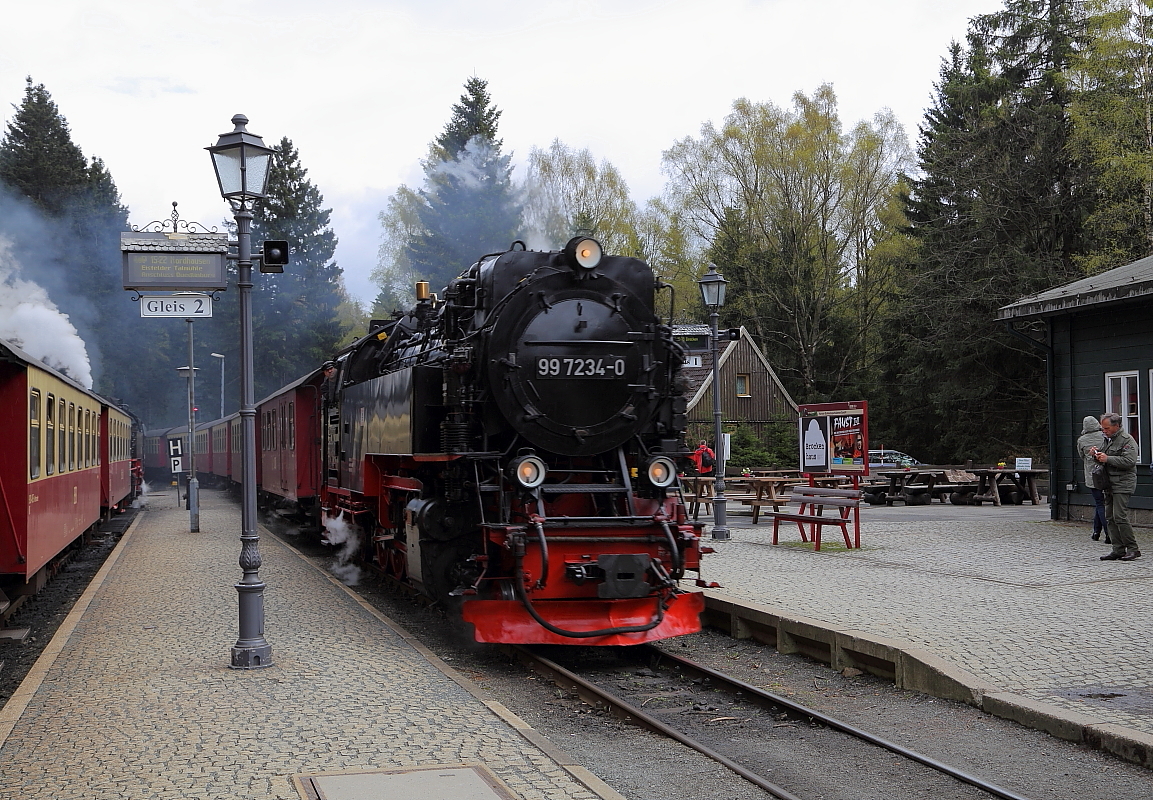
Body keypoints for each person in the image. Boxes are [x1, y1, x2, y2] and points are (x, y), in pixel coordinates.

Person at [1094, 412, 1140, 561]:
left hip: (1123, 483)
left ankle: (1133, 548)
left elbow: (1129, 461)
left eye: (1106, 428)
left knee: (1119, 516)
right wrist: (1096, 455)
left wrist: (1108, 458)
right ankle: (1118, 549)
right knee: (1110, 517)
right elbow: (1105, 460)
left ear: (1117, 426)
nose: (1104, 431)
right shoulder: (1108, 440)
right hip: (1109, 483)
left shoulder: (1127, 440)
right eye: (1102, 428)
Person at [1076, 415, 1109, 543]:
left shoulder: (1081, 440)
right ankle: (1102, 532)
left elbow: (1082, 456)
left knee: (1099, 503)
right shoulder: (1104, 437)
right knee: (1103, 504)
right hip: (1106, 474)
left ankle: (1101, 532)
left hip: (1092, 476)